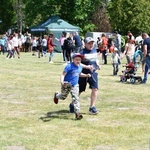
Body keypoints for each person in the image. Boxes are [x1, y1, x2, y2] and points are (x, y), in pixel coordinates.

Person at [53, 53, 91, 120]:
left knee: (76, 98)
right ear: (73, 59)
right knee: (63, 97)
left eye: (79, 60)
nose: (78, 61)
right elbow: (63, 74)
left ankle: (77, 114)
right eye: (76, 60)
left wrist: (86, 75)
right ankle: (56, 96)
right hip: (66, 84)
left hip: (75, 85)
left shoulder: (80, 66)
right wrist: (62, 82)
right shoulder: (69, 66)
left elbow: (78, 74)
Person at [77, 37, 100, 115]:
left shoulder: (94, 50)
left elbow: (96, 59)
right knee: (79, 90)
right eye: (89, 43)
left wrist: (98, 64)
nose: (91, 45)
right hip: (83, 74)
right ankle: (73, 104)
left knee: (95, 88)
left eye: (92, 43)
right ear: (85, 44)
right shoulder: (82, 52)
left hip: (93, 73)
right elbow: (78, 63)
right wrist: (86, 67)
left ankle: (92, 107)